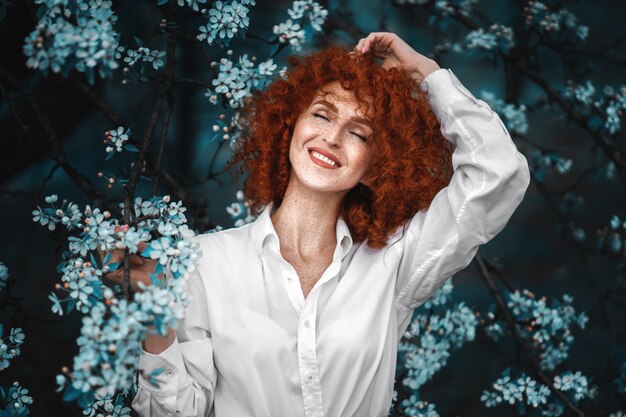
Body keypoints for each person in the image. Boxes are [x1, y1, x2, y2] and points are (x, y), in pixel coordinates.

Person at [109, 32, 530, 416]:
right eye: (323, 115)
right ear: (291, 125)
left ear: (375, 168)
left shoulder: (395, 262)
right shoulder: (203, 262)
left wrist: (426, 73)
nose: (331, 138)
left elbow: (498, 173)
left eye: (359, 134)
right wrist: (156, 319)